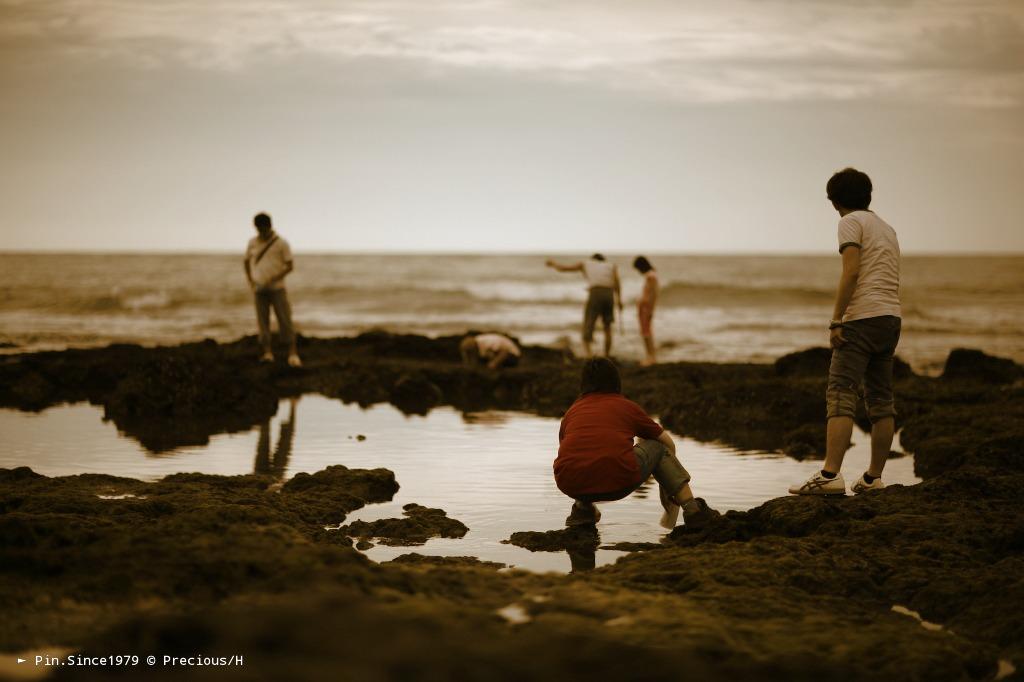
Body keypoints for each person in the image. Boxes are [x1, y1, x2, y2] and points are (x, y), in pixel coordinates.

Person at [790, 168, 901, 496]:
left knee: (841, 392)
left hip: (861, 319)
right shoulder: (887, 227)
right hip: (890, 317)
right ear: (868, 195)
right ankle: (872, 478)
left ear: (836, 200)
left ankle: (830, 475)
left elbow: (851, 272)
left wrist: (837, 319)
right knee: (881, 399)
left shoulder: (850, 222)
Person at [554, 357, 718, 528]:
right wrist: (669, 497)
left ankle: (582, 511)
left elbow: (570, 453)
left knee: (582, 457)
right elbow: (667, 444)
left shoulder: (572, 412)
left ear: (583, 386)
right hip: (619, 479)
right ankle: (693, 511)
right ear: (617, 383)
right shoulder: (626, 406)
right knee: (657, 447)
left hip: (569, 483)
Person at [244, 212, 301, 367]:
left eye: (262, 228)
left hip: (277, 288)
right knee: (262, 322)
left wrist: (275, 277)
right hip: (259, 289)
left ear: (269, 226)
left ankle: (292, 353)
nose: (260, 231)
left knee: (285, 320)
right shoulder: (252, 243)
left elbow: (290, 266)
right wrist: (250, 281)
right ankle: (267, 353)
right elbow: (246, 261)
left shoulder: (281, 243)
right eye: (258, 228)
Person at [545, 254, 622, 358]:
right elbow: (617, 283)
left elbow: (564, 268)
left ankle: (589, 356)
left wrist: (553, 263)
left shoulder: (586, 263)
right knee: (607, 327)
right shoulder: (611, 265)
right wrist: (619, 300)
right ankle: (607, 355)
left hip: (595, 293)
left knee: (588, 323)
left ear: (593, 259)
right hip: (609, 294)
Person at [633, 256, 659, 366]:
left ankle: (651, 357)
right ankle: (650, 356)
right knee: (646, 332)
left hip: (646, 307)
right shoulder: (652, 275)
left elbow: (653, 294)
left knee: (646, 332)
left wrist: (650, 309)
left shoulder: (650, 276)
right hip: (645, 306)